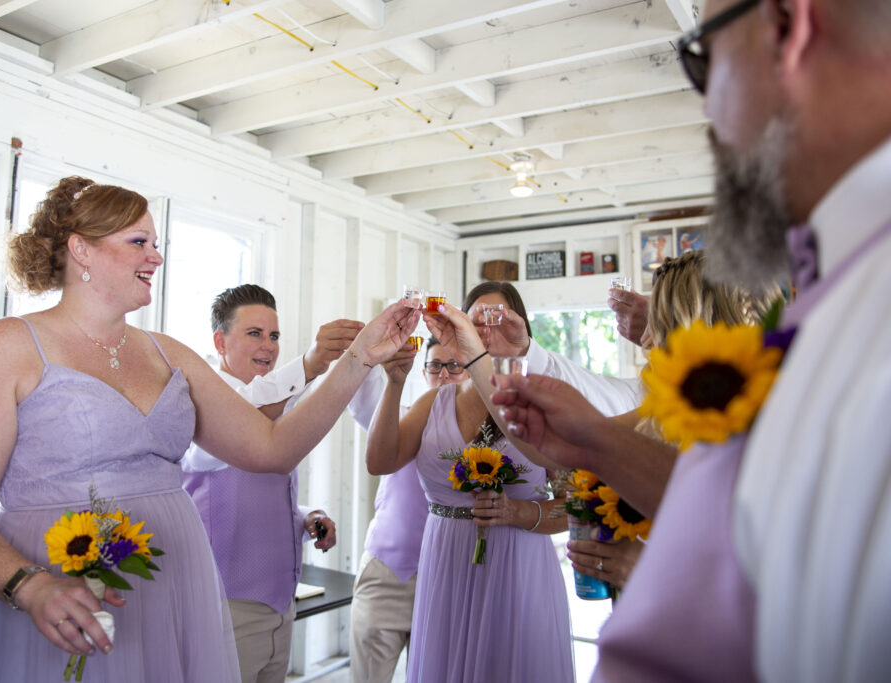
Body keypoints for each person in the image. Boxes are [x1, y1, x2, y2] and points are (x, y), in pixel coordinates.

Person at [493, 1, 891, 681]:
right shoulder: (835, 288)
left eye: (701, 59)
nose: (708, 115)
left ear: (786, 28)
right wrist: (591, 439)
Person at [0, 176, 418, 683]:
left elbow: (272, 448)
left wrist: (359, 358)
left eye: (156, 244)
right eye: (138, 242)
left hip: (169, 598)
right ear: (81, 251)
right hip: (55, 598)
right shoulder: (7, 347)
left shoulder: (167, 353)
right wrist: (29, 586)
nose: (156, 258)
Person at [366, 283, 576, 683]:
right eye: (477, 318)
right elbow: (379, 461)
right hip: (446, 562)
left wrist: (519, 511)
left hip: (519, 567)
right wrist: (394, 383)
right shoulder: (434, 402)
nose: (487, 327)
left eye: (498, 318)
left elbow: (575, 504)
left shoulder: (543, 402)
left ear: (521, 329)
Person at [567, 250, 776, 590]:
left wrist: (652, 567)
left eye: (659, 319)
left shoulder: (762, 416)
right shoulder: (675, 405)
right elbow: (577, 442)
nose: (649, 334)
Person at [181, 284, 351, 683]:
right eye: (254, 333)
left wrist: (308, 515)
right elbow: (243, 416)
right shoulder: (199, 403)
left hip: (281, 605)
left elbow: (259, 492)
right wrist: (309, 364)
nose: (269, 346)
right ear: (220, 342)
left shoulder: (279, 404)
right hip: (226, 604)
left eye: (274, 335)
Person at [347, 337, 467, 683]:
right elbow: (360, 404)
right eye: (435, 366)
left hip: (448, 578)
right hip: (387, 573)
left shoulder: (483, 437)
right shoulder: (398, 418)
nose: (444, 375)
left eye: (455, 366)